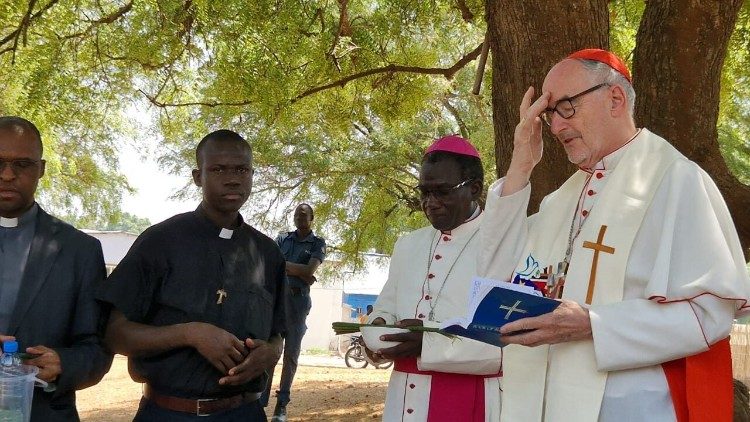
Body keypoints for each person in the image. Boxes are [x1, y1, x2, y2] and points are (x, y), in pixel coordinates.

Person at [478, 49, 750, 421]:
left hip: (633, 407)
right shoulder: (560, 200)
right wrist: (521, 164)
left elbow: (709, 317)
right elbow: (495, 277)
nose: (555, 127)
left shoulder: (677, 180)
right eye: (549, 113)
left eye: (566, 107)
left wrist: (593, 324)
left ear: (615, 98)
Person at [97, 129, 286, 421]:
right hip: (169, 411)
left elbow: (277, 334)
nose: (232, 178)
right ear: (198, 177)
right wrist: (189, 334)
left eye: (241, 169)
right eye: (218, 169)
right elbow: (113, 334)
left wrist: (270, 353)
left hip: (245, 412)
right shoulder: (160, 242)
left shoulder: (267, 253)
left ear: (252, 174)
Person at [367, 135, 502, 421]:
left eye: (442, 192)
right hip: (403, 398)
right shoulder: (408, 244)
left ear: (475, 189)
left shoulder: (502, 243)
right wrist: (377, 330)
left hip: (467, 396)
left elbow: (504, 344)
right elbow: (385, 307)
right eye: (424, 192)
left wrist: (426, 344)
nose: (430, 203)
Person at [0, 116, 112, 421]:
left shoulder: (80, 250)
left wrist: (64, 363)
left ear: (42, 169)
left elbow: (97, 347)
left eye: (22, 164)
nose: (8, 174)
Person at [263, 203, 326, 422]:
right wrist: (301, 271)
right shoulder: (282, 239)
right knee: (270, 349)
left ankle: (281, 405)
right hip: (277, 301)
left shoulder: (318, 243)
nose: (299, 218)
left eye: (304, 215)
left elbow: (310, 270)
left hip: (298, 302)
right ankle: (260, 401)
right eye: (296, 214)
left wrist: (293, 268)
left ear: (312, 218)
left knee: (291, 354)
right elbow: (270, 264)